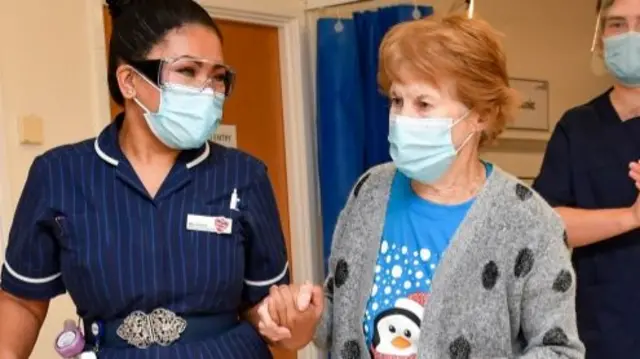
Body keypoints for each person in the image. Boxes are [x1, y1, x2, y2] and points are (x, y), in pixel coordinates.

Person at [259, 14, 585, 359]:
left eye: (423, 104)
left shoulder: (529, 221)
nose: (403, 118)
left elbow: (559, 350)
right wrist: (305, 320)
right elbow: (340, 312)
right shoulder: (371, 190)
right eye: (397, 101)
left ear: (481, 115)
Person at [0, 0, 310, 357]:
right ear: (129, 80)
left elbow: (265, 310)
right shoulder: (59, 174)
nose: (208, 90)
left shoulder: (244, 176)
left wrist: (292, 322)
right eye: (188, 71)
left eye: (218, 76)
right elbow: (22, 299)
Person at [532, 0, 640, 357]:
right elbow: (544, 225)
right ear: (600, 36)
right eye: (617, 24)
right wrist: (632, 217)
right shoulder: (578, 127)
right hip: (601, 330)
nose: (629, 35)